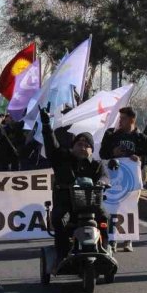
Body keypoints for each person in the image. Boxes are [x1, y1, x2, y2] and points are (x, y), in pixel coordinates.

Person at [40, 106, 109, 263]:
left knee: (105, 217)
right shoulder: (62, 159)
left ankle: (104, 248)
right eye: (79, 143)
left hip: (91, 204)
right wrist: (46, 125)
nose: (82, 146)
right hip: (66, 204)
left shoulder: (96, 165)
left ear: (92, 150)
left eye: (87, 144)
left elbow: (105, 177)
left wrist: (102, 183)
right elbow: (51, 145)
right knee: (59, 219)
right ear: (72, 147)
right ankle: (62, 254)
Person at [99, 106, 147, 251]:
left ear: (132, 119)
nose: (120, 121)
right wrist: (113, 152)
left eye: (123, 118)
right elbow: (102, 154)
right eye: (119, 118)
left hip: (133, 181)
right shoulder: (113, 136)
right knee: (113, 208)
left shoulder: (142, 138)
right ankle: (113, 239)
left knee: (129, 208)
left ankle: (127, 239)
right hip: (115, 179)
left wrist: (140, 158)